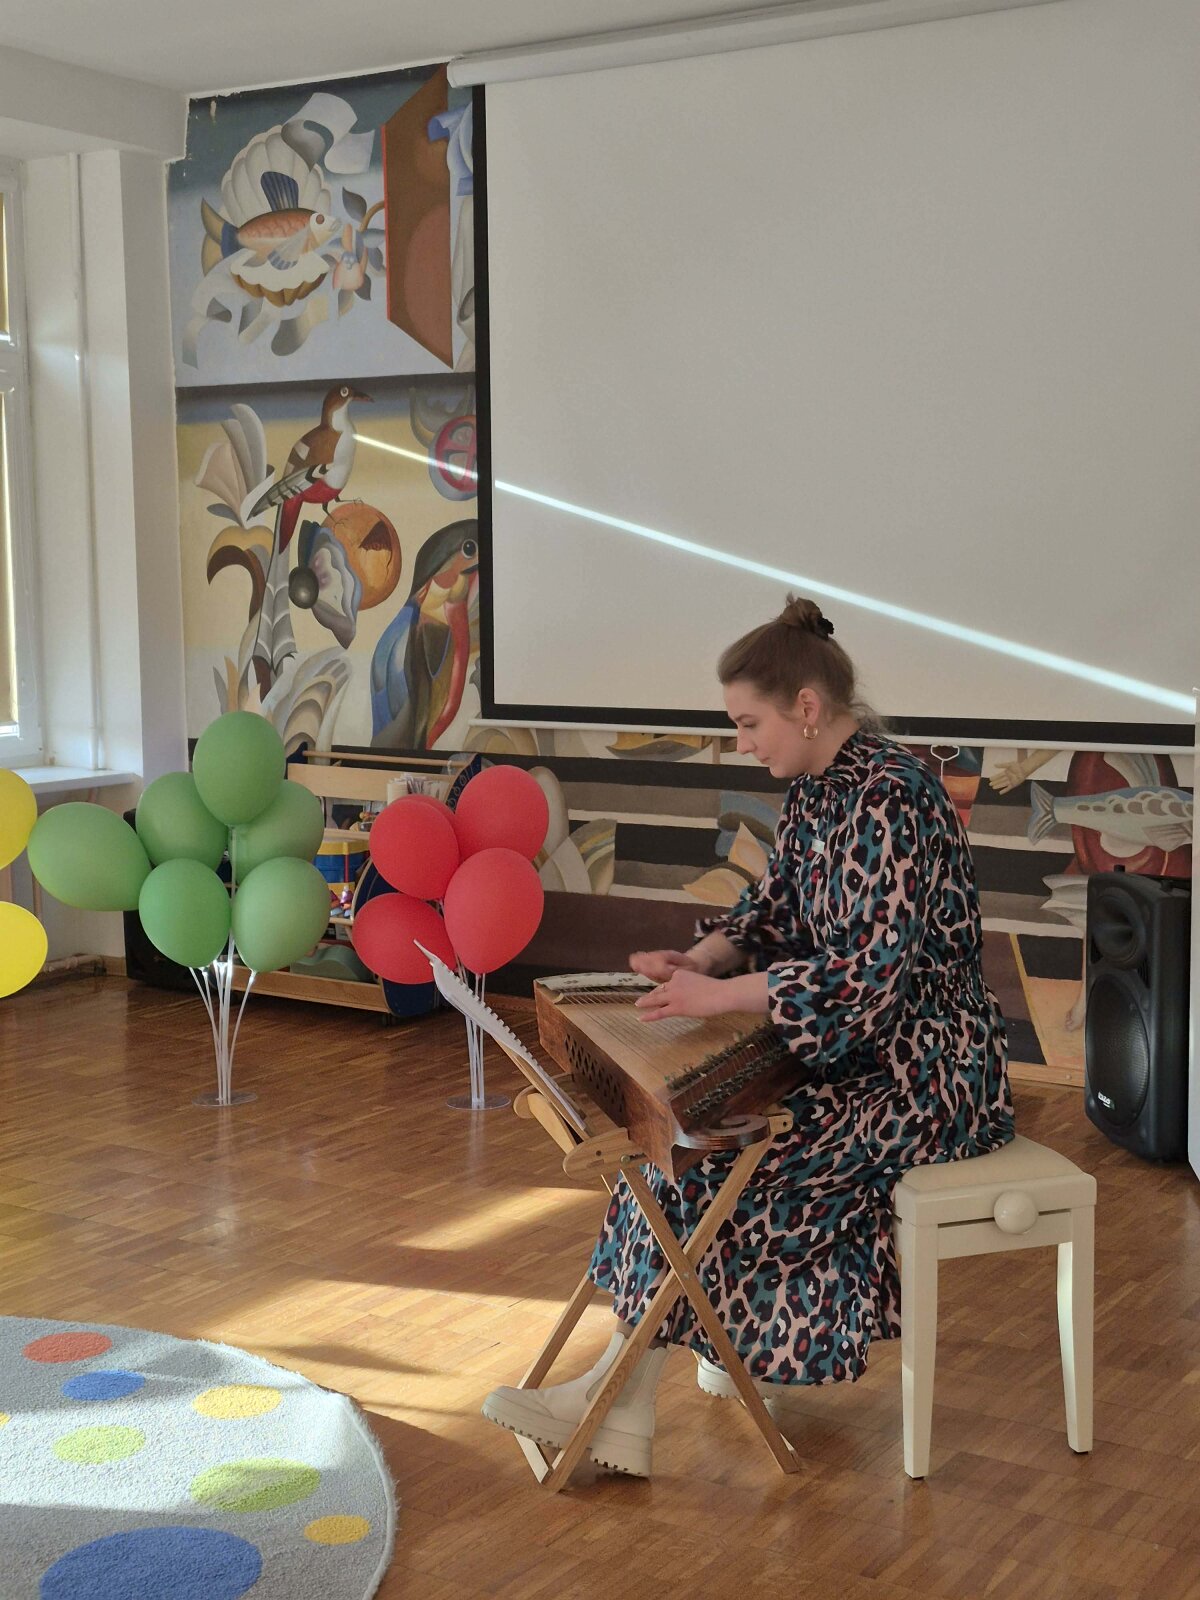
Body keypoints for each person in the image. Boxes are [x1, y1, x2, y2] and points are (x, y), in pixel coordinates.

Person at [482, 595, 1014, 1478]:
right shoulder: (817, 788)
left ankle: (617, 1396)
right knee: (679, 1153)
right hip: (851, 1059)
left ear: (806, 706)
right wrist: (696, 960)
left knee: (726, 1163)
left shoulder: (895, 797)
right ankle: (631, 1394)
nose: (741, 743)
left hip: (929, 1076)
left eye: (747, 723)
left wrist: (721, 995)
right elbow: (774, 908)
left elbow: (866, 979)